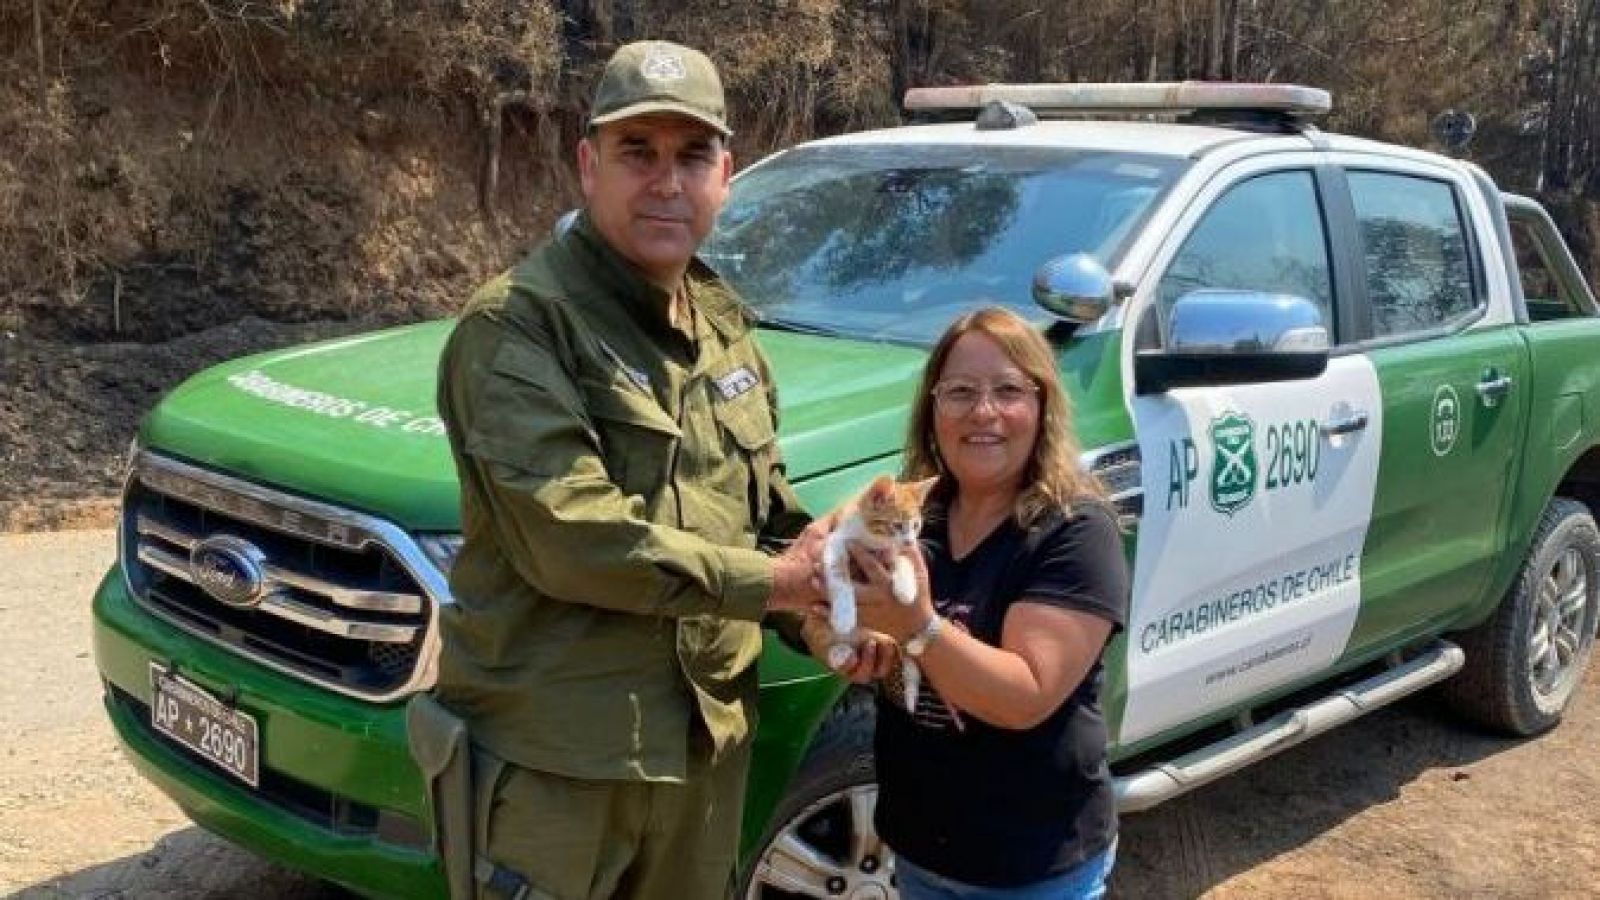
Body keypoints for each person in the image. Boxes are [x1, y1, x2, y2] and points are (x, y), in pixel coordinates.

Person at [430, 39, 824, 900]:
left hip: (702, 749)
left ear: (726, 172)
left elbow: (761, 514)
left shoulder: (723, 322)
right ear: (588, 165)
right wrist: (784, 586)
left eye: (691, 156)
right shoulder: (520, 327)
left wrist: (831, 601)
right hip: (564, 768)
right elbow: (576, 539)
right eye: (636, 152)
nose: (666, 181)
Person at [821, 306, 1130, 899]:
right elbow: (855, 628)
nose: (983, 412)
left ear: (1041, 407)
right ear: (933, 409)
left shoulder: (1075, 531)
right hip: (918, 851)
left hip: (1032, 867)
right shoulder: (913, 518)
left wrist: (917, 626)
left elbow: (1025, 696)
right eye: (959, 391)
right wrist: (854, 644)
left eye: (1008, 390)